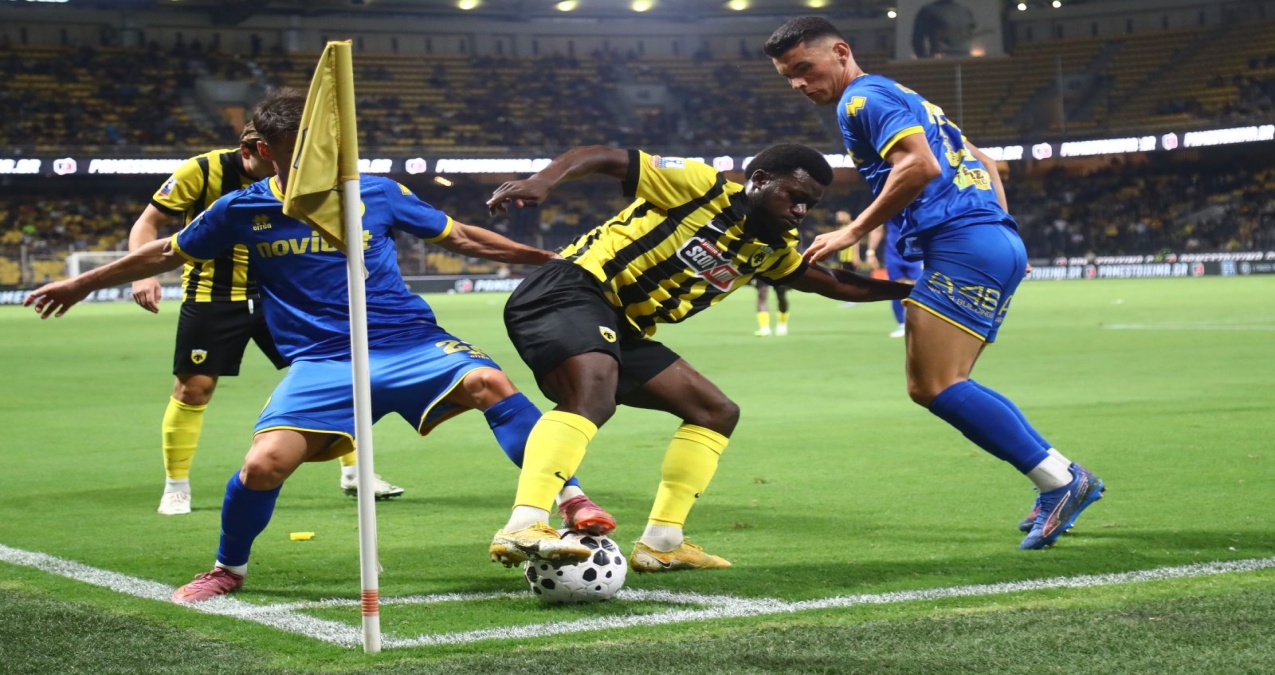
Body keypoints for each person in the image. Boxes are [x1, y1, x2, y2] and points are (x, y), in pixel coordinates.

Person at [25, 90, 612, 603]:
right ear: (266, 150)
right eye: (296, 151)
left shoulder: (375, 193)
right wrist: (81, 283)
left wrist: (544, 258)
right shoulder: (242, 208)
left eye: (321, 147)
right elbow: (163, 251)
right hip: (325, 361)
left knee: (490, 382)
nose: (316, 160)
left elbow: (459, 236)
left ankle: (569, 498)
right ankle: (228, 569)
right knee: (262, 464)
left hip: (411, 342)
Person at [485, 144, 914, 572]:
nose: (800, 211)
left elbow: (833, 283)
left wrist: (912, 291)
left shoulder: (772, 247)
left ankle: (662, 543)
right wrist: (542, 181)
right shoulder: (700, 186)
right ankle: (524, 524)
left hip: (622, 326)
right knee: (592, 395)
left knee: (714, 411)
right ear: (760, 180)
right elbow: (604, 156)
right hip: (571, 287)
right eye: (794, 196)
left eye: (809, 204)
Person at [765, 17, 1104, 550]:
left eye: (804, 67)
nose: (799, 83)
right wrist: (1002, 226)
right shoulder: (902, 96)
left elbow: (919, 166)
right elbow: (985, 160)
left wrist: (853, 230)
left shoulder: (860, 100)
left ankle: (1061, 482)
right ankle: (1061, 476)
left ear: (841, 51)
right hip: (988, 239)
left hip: (962, 244)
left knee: (934, 385)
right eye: (788, 76)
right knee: (953, 380)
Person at [128, 122, 402, 516]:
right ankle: (176, 487)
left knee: (335, 376)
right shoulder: (201, 171)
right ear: (250, 150)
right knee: (193, 389)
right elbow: (147, 222)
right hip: (214, 294)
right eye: (271, 156)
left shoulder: (300, 173)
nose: (281, 166)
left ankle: (356, 472)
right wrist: (142, 273)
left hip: (285, 293)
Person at [866, 220, 922, 337]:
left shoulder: (919, 208)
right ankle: (901, 324)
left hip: (916, 252)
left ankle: (920, 325)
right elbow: (877, 228)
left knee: (919, 289)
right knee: (895, 288)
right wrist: (871, 252)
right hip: (894, 253)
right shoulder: (890, 209)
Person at [911, 0, 976, 59]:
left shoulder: (965, 10)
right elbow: (918, 40)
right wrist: (925, 61)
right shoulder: (928, 11)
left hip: (963, 57)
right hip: (943, 58)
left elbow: (917, 40)